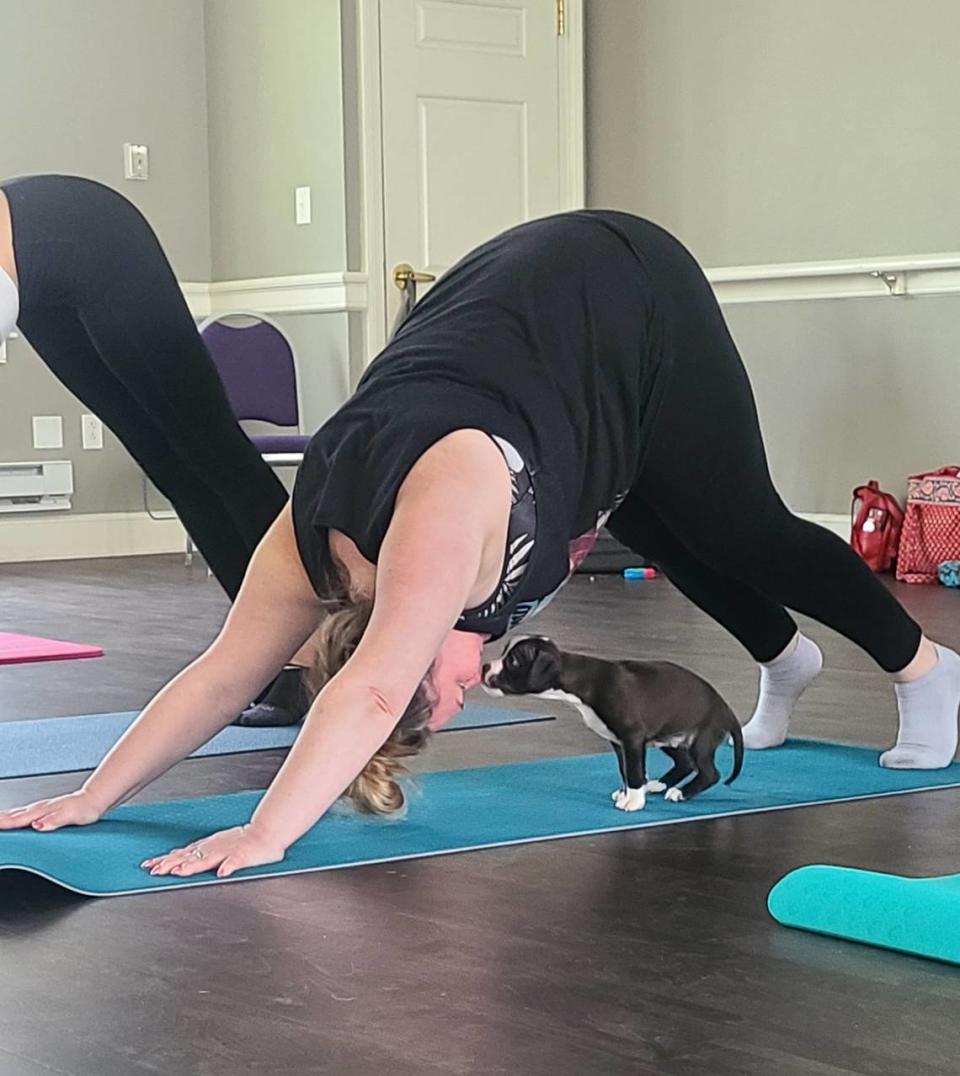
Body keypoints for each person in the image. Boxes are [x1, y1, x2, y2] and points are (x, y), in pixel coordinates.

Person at [1, 210, 957, 881]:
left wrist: (263, 831)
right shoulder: (311, 557)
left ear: (411, 641)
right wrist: (93, 797)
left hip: (615, 285)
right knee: (662, 515)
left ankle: (924, 670)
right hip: (512, 342)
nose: (478, 684)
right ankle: (785, 660)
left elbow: (371, 688)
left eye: (451, 688)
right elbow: (217, 678)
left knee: (743, 520)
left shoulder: (435, 536)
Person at [0, 174, 304, 720]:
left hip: (88, 235)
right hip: (36, 281)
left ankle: (325, 645)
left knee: (215, 450)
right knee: (169, 464)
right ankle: (272, 652)